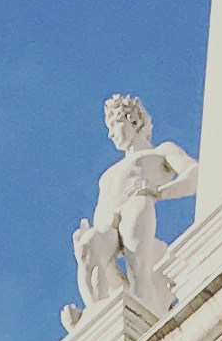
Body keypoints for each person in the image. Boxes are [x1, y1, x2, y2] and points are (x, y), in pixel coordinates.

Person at [72, 92, 199, 316]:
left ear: (134, 120)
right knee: (88, 248)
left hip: (136, 205)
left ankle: (146, 312)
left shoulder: (160, 151)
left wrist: (159, 191)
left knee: (137, 267)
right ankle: (97, 316)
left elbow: (195, 174)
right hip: (107, 223)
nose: (110, 133)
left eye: (114, 124)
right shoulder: (108, 174)